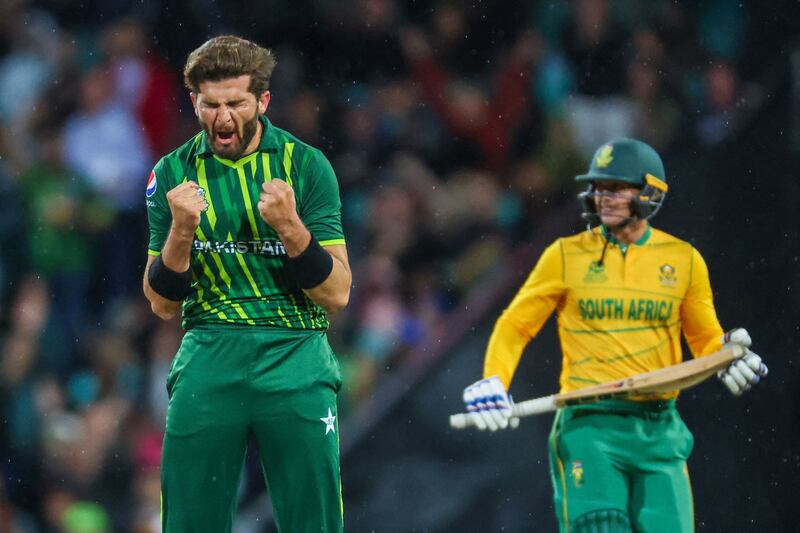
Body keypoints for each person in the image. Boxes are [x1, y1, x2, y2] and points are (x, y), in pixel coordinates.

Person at [462, 138, 767, 533]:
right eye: (599, 188)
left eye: (616, 188)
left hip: (660, 431)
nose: (603, 198)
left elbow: (705, 339)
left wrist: (727, 355)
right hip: (590, 426)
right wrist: (495, 379)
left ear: (649, 192)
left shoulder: (684, 261)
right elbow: (516, 324)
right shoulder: (565, 256)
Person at [142, 35, 350, 532]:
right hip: (209, 350)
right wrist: (180, 231)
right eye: (210, 105)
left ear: (263, 101)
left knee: (313, 521)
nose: (223, 118)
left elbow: (338, 292)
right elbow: (160, 304)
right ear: (195, 102)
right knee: (189, 521)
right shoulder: (171, 173)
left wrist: (290, 228)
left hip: (295, 351)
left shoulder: (305, 166)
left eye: (236, 103)